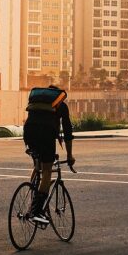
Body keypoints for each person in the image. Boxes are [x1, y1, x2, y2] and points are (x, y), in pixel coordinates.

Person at [24, 85, 74, 224]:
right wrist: (70, 155)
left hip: (28, 133)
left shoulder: (37, 102)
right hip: (45, 135)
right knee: (47, 171)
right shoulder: (61, 106)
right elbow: (68, 132)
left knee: (38, 166)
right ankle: (36, 211)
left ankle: (32, 197)